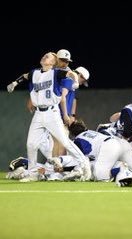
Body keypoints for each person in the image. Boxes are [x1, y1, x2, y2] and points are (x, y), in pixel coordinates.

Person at [6, 52, 91, 180]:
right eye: (44, 55)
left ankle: (85, 164)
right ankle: (33, 173)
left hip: (52, 113)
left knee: (65, 142)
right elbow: (25, 76)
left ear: (53, 62)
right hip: (39, 114)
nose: (44, 56)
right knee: (31, 144)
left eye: (48, 56)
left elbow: (69, 74)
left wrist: (74, 78)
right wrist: (15, 83)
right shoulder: (35, 73)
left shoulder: (55, 73)